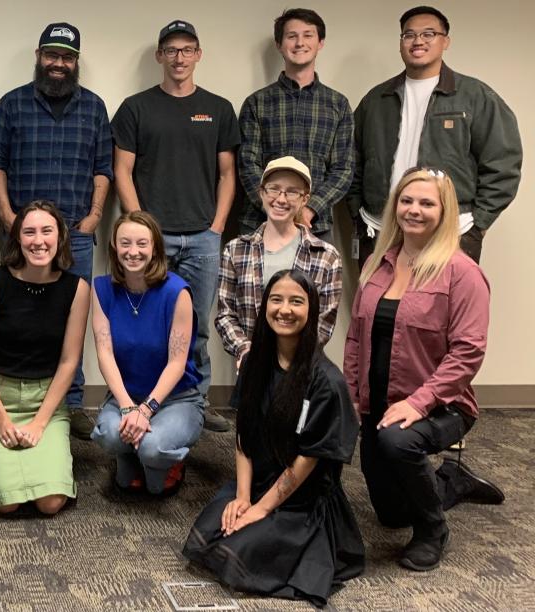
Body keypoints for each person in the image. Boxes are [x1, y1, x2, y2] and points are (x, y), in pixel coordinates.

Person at [346, 166, 501, 572]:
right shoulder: (377, 264)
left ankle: (434, 530)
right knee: (390, 515)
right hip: (379, 403)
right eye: (406, 200)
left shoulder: (462, 273)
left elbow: (468, 352)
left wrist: (419, 402)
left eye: (426, 203)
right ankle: (452, 481)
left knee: (398, 443)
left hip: (441, 407)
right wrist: (350, 394)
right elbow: (356, 338)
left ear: (444, 210)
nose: (414, 210)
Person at [184, 270, 364, 607]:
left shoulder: (326, 381)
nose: (284, 309)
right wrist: (242, 497)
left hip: (302, 496)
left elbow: (308, 459)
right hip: (259, 480)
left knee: (237, 552)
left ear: (312, 311)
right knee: (212, 532)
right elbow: (243, 434)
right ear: (264, 306)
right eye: (276, 300)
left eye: (296, 301)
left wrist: (261, 509)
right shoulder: (253, 362)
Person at [0, 21, 113, 439]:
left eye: (67, 57)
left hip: (75, 231)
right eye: (52, 55)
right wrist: (7, 214)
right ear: (39, 57)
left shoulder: (94, 107)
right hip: (24, 232)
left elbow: (103, 168)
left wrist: (94, 215)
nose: (59, 63)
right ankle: (10, 393)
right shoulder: (12, 104)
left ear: (76, 62)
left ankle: (71, 403)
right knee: (20, 313)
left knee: (71, 315)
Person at [110, 20, 239, 433]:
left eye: (187, 49)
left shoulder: (218, 109)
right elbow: (122, 171)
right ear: (159, 56)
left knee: (197, 326)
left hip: (203, 236)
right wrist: (141, 228)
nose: (179, 57)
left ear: (198, 54)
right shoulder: (136, 107)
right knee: (147, 324)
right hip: (153, 239)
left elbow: (228, 174)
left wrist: (217, 226)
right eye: (171, 50)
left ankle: (196, 404)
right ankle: (140, 403)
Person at [348, 5, 521, 264]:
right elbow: (351, 160)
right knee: (378, 305)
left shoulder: (475, 96)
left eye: (429, 34)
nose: (418, 41)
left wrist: (478, 225)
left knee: (441, 306)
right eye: (409, 35)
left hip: (451, 234)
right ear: (401, 43)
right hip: (381, 232)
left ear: (445, 41)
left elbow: (503, 164)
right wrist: (357, 214)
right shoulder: (375, 100)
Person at [0, 201, 88, 515]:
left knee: (51, 503)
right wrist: (2, 419)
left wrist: (40, 422)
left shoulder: (77, 289)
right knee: (6, 502)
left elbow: (68, 361)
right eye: (29, 232)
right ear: (17, 239)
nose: (38, 240)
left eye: (47, 231)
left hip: (45, 401)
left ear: (59, 237)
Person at [90, 211, 204, 495]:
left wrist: (146, 410)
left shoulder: (177, 292)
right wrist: (128, 407)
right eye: (125, 243)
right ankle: (129, 452)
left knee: (154, 463)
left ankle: (161, 458)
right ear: (115, 247)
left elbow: (177, 363)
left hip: (175, 399)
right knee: (109, 437)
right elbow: (105, 354)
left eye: (142, 243)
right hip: (126, 398)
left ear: (155, 248)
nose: (133, 251)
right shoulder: (102, 288)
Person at [237, 8, 354, 244]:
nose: (300, 43)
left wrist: (308, 209)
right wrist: (276, 208)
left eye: (308, 35)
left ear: (320, 42)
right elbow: (247, 165)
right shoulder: (256, 103)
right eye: (291, 36)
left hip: (315, 226)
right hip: (259, 224)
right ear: (280, 44)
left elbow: (343, 169)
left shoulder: (338, 104)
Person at [216, 156, 342, 366]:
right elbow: (225, 314)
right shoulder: (236, 250)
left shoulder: (326, 256)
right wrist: (246, 350)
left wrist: (290, 360)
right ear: (262, 193)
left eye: (292, 191)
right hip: (251, 367)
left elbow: (324, 322)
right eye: (274, 189)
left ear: (304, 199)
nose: (281, 199)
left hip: (301, 369)